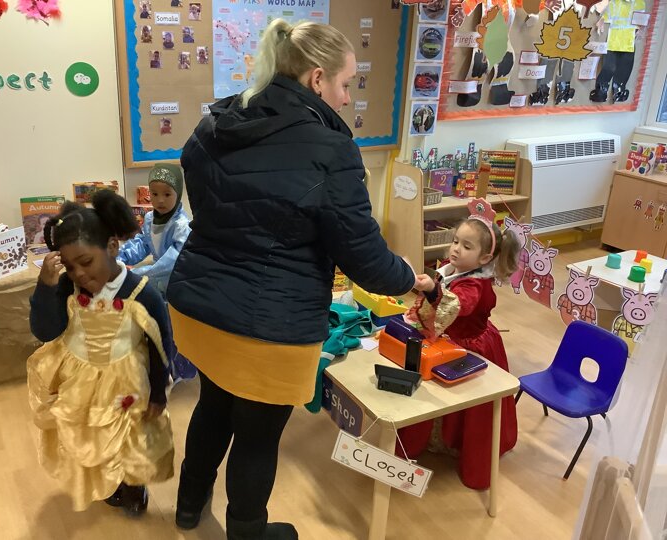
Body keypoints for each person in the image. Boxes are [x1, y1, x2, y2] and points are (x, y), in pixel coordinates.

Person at [167, 18, 431, 540]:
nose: (347, 97)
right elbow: (364, 258)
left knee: (213, 405)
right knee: (257, 435)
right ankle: (247, 533)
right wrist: (410, 279)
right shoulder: (330, 150)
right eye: (345, 83)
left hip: (199, 303)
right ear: (316, 79)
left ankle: (188, 506)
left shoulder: (216, 123)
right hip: (270, 323)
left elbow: (211, 203)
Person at [26, 190, 175, 516]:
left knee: (130, 437)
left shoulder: (142, 293)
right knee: (95, 435)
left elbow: (161, 344)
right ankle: (109, 481)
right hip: (83, 384)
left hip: (127, 382)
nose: (79, 274)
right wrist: (45, 287)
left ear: (112, 247)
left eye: (86, 262)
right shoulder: (67, 287)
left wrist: (158, 392)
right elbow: (45, 330)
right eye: (69, 266)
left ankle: (133, 486)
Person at [397, 198, 520, 490]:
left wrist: (431, 288)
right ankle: (434, 436)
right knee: (435, 389)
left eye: (466, 246)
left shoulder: (477, 283)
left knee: (466, 401)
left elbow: (459, 305)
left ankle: (456, 441)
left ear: (484, 258)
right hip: (448, 340)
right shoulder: (452, 269)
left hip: (471, 347)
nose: (456, 249)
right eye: (455, 241)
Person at [118, 164, 196, 381]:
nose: (160, 200)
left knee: (171, 328)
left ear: (178, 193)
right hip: (154, 281)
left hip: (175, 283)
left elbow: (175, 258)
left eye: (167, 194)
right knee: (150, 325)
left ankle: (176, 370)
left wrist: (142, 272)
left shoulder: (182, 224)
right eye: (154, 194)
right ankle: (154, 363)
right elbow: (141, 243)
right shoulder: (150, 219)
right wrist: (119, 258)